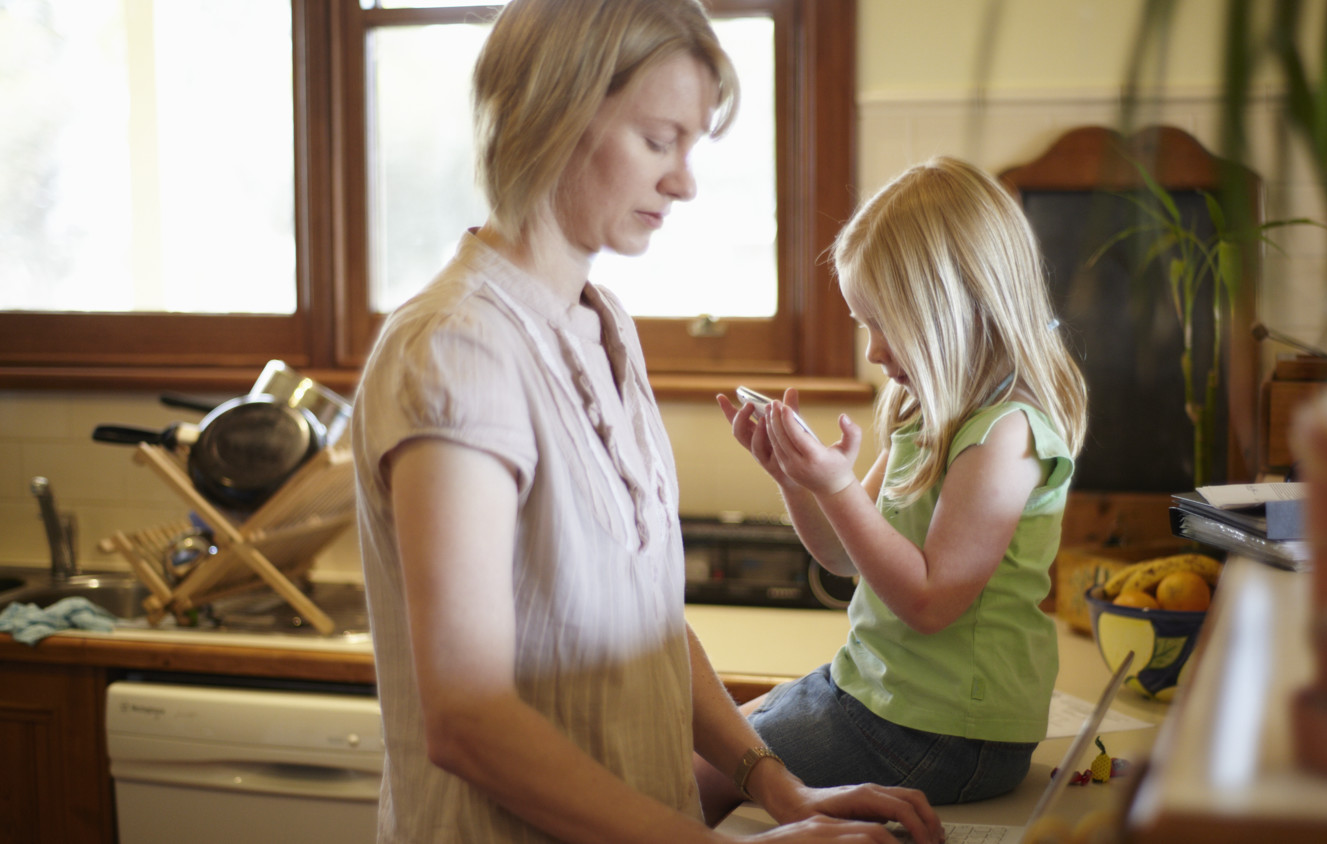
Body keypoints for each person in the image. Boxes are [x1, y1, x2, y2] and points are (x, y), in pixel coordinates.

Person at [350, 1, 944, 842]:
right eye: (659, 140)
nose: (685, 180)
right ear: (550, 114)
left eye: (692, 146)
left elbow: (651, 625)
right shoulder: (458, 350)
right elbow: (468, 720)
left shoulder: (606, 324)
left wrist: (780, 789)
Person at [704, 156, 1089, 815]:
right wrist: (799, 481)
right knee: (708, 745)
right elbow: (841, 556)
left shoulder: (1005, 435)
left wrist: (838, 484)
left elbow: (931, 601)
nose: (874, 352)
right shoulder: (928, 415)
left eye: (885, 324)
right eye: (863, 325)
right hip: (882, 699)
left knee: (695, 774)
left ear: (958, 312)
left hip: (941, 734)